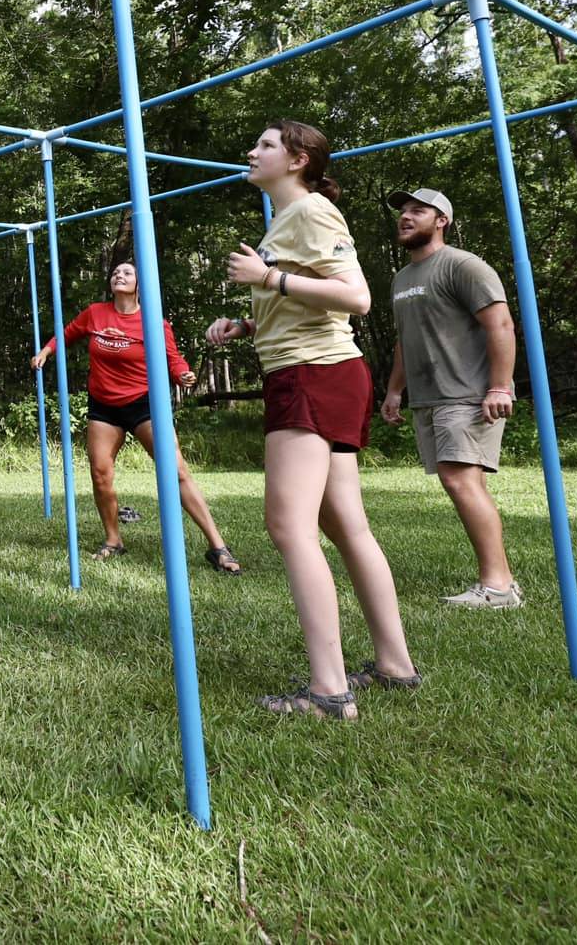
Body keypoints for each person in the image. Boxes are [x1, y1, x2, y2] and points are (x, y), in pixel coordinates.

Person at [205, 120, 417, 719]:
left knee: (287, 525)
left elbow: (356, 297)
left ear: (298, 160)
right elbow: (311, 299)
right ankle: (395, 665)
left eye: (265, 144)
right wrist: (249, 323)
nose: (252, 150)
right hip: (319, 369)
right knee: (345, 523)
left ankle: (328, 691)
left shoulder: (311, 212)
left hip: (312, 375)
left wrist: (268, 277)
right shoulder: (286, 220)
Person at [31, 260, 241, 572]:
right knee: (100, 473)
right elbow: (69, 332)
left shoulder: (153, 321)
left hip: (144, 404)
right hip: (104, 406)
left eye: (127, 272)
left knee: (177, 471)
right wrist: (47, 351)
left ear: (139, 284)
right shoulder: (96, 313)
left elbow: (173, 358)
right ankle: (113, 540)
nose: (120, 274)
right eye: (116, 272)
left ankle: (218, 546)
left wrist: (183, 374)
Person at [379, 187, 523, 608]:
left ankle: (497, 586)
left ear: (441, 220)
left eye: (417, 211)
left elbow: (501, 325)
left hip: (466, 393)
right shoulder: (402, 278)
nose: (406, 216)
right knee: (464, 481)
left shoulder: (463, 265)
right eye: (403, 211)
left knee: (458, 479)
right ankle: (500, 581)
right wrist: (394, 390)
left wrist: (499, 386)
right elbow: (406, 341)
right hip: (428, 396)